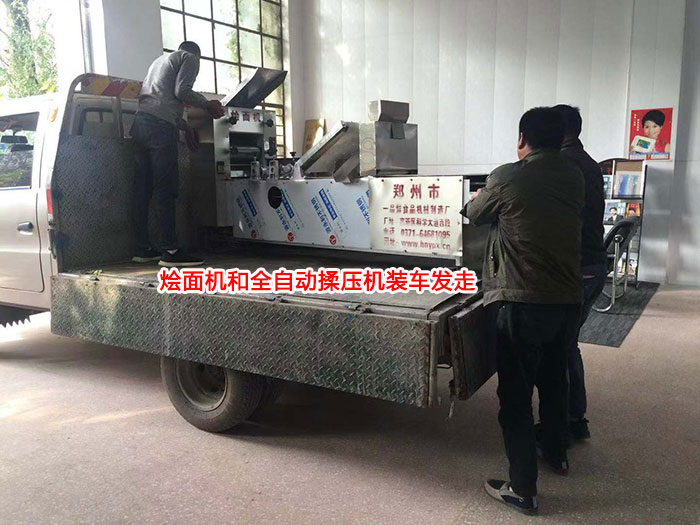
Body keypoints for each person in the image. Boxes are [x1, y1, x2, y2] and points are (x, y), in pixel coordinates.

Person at [463, 107, 584, 515]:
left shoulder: (508, 176)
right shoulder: (574, 176)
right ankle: (556, 452)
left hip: (522, 302)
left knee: (515, 396)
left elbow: (475, 215)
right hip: (566, 301)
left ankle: (523, 488)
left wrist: (478, 198)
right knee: (554, 380)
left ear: (521, 139)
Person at [131, 41, 225, 267]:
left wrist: (184, 126)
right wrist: (207, 104)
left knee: (143, 190)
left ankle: (142, 249)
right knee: (166, 189)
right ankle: (171, 251)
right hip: (159, 130)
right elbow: (181, 91)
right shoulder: (189, 58)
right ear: (197, 55)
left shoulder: (159, 61)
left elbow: (160, 102)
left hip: (140, 125)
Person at [550, 104, 607, 443]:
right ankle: (575, 418)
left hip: (577, 269)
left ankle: (565, 424)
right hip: (592, 266)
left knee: (560, 346)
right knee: (567, 343)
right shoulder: (587, 162)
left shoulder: (563, 165)